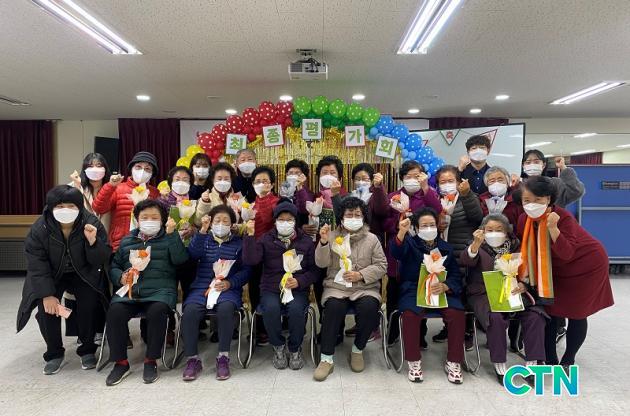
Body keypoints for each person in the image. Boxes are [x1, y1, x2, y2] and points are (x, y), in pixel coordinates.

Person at [516, 176, 613, 369]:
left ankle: (568, 360)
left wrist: (553, 228)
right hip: (556, 269)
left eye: (538, 200)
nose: (531, 204)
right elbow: (525, 250)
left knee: (577, 313)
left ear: (549, 199)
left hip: (586, 265)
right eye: (527, 200)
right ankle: (551, 360)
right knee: (551, 311)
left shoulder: (563, 217)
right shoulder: (523, 220)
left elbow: (566, 253)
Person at [17, 185, 111, 375]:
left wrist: (93, 242)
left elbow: (101, 258)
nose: (65, 210)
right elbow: (37, 264)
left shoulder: (91, 222)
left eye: (71, 206)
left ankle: (87, 349)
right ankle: (54, 353)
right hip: (51, 274)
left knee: (89, 305)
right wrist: (47, 294)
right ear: (51, 207)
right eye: (60, 206)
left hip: (83, 272)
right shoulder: (39, 228)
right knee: (47, 309)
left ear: (79, 207)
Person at [105, 199, 189, 386]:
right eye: (144, 217)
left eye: (154, 217)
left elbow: (181, 260)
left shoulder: (169, 237)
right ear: (137, 219)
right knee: (114, 312)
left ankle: (151, 360)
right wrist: (120, 277)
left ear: (163, 220)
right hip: (131, 291)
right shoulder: (127, 240)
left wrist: (172, 235)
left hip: (160, 291)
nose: (149, 221)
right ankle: (120, 363)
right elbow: (115, 265)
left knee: (157, 311)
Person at [459, 213, 546, 385]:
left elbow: (528, 271)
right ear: (482, 231)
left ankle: (533, 364)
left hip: (513, 291)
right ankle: (500, 365)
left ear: (507, 232)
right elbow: (466, 261)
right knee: (495, 317)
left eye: (499, 230)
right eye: (490, 230)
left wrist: (524, 285)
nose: (494, 233)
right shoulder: (477, 245)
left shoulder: (517, 246)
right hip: (483, 293)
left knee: (535, 315)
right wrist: (475, 244)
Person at [313, 197, 387, 381]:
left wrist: (361, 274)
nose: (353, 218)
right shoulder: (331, 236)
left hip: (365, 287)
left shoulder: (372, 239)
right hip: (336, 287)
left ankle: (357, 349)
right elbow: (321, 264)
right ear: (341, 217)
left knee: (369, 307)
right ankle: (326, 358)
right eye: (349, 215)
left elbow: (381, 265)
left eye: (357, 215)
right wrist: (323, 242)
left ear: (363, 217)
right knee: (333, 308)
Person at [390, 207, 465, 384]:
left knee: (457, 313)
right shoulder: (409, 244)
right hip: (414, 289)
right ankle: (414, 361)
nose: (429, 228)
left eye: (432, 224)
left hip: (441, 289)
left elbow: (455, 275)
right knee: (410, 314)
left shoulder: (446, 248)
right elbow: (396, 253)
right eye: (424, 225)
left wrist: (446, 286)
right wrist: (401, 232)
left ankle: (454, 361)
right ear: (416, 228)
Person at [242, 201, 320, 370]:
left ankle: (295, 348)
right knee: (271, 308)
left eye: (289, 219)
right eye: (281, 219)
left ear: (295, 221)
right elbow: (251, 260)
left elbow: (315, 271)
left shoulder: (306, 241)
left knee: (296, 309)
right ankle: (278, 346)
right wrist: (249, 236)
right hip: (271, 288)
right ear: (275, 221)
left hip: (296, 288)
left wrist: (300, 281)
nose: (285, 223)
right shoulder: (266, 239)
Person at [181, 205, 251, 381]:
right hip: (202, 288)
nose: (221, 224)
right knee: (189, 311)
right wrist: (202, 231)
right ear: (211, 222)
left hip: (228, 289)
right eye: (217, 220)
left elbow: (246, 270)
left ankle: (223, 357)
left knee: (226, 309)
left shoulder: (238, 243)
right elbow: (192, 255)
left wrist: (230, 283)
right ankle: (192, 359)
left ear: (232, 224)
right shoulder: (203, 239)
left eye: (225, 221)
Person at [383, 160, 442, 345]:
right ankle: (392, 332)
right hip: (397, 251)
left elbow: (437, 211)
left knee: (420, 292)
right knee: (393, 295)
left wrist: (425, 188)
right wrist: (398, 222)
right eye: (408, 176)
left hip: (421, 252)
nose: (412, 180)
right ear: (402, 178)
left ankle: (420, 335)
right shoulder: (393, 197)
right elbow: (384, 222)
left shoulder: (427, 195)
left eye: (416, 176)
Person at [92, 151, 160, 251]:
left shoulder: (155, 193)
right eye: (138, 167)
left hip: (148, 245)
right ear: (131, 169)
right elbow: (98, 208)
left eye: (147, 169)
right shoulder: (118, 188)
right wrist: (110, 186)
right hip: (120, 244)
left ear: (152, 173)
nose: (142, 171)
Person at [332, 163, 389, 243]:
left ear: (371, 180)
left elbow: (382, 211)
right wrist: (335, 195)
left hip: (372, 240)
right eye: (357, 179)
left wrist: (378, 187)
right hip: (349, 239)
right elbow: (339, 216)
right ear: (353, 181)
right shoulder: (348, 196)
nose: (361, 182)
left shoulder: (377, 195)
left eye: (365, 179)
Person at [295, 155, 348, 234]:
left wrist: (335, 195)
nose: (328, 176)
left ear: (339, 178)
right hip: (319, 239)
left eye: (332, 173)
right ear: (319, 177)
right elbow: (304, 210)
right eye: (324, 173)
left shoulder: (346, 197)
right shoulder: (317, 196)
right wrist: (303, 227)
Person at [69, 152, 112, 231]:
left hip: (106, 233)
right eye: (90, 166)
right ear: (85, 169)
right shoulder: (75, 185)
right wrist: (78, 187)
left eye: (99, 166)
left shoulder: (111, 188)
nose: (95, 169)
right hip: (83, 232)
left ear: (105, 169)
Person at [284, 159, 313, 227]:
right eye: (290, 173)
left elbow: (304, 210)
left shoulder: (309, 193)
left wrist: (300, 187)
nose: (293, 176)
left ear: (304, 176)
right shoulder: (283, 191)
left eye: (297, 173)